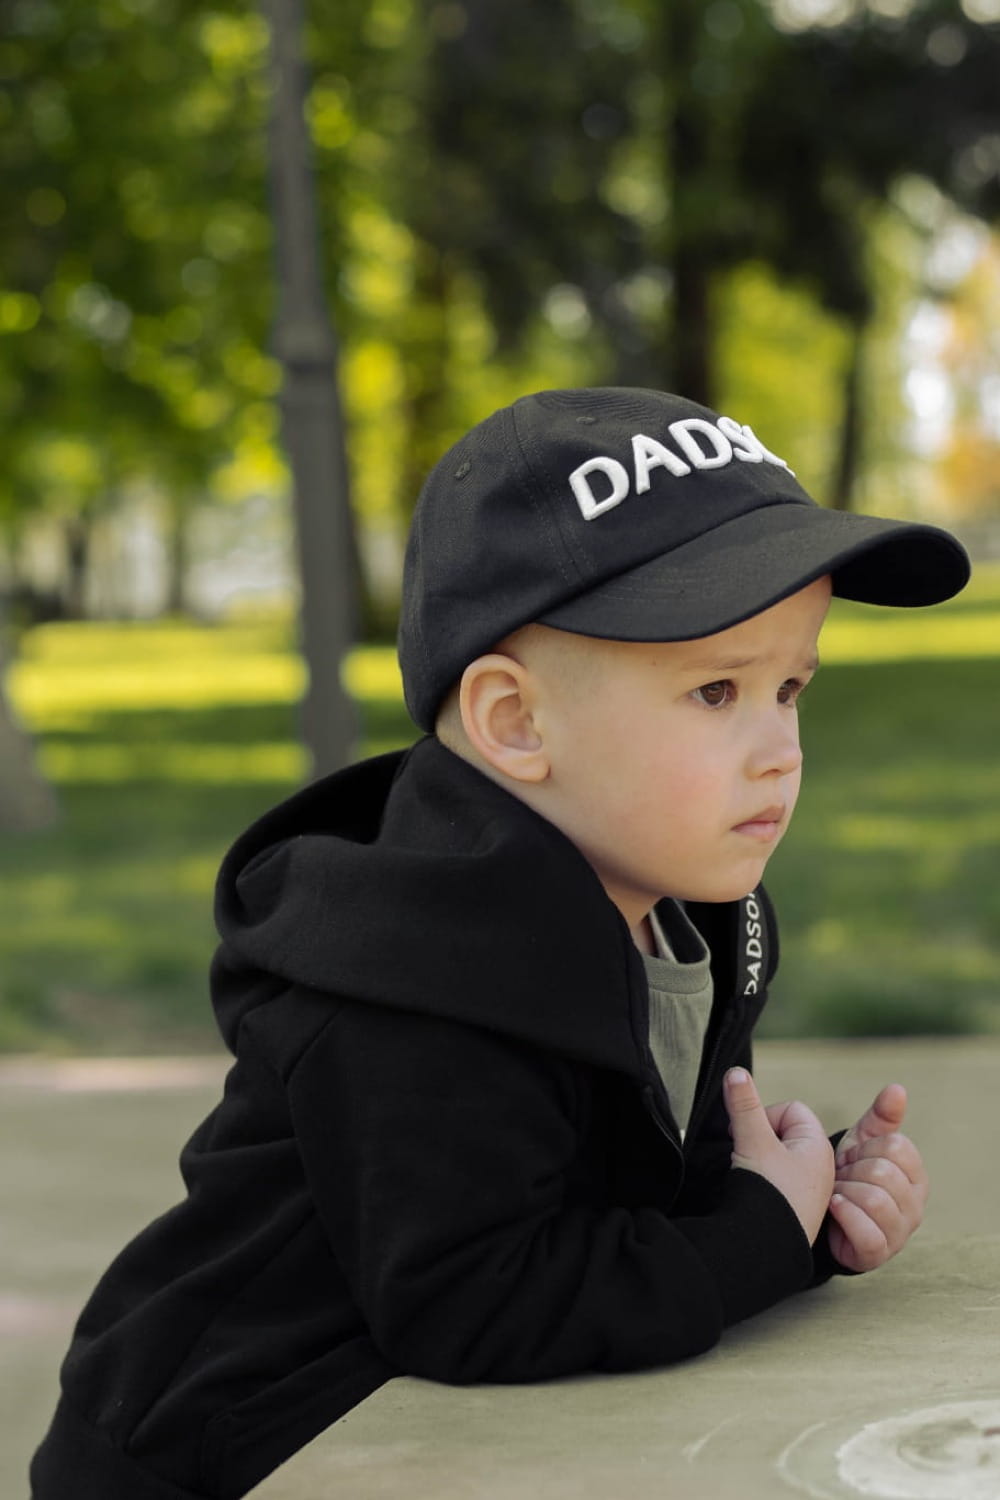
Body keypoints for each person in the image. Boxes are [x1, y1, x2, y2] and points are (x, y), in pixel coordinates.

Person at [31, 387, 969, 1500]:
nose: (780, 749)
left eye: (791, 687)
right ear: (516, 723)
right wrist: (758, 1237)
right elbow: (476, 1303)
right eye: (716, 690)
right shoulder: (415, 979)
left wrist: (803, 1210)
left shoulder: (685, 917)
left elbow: (629, 1209)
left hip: (411, 1435)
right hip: (231, 1450)